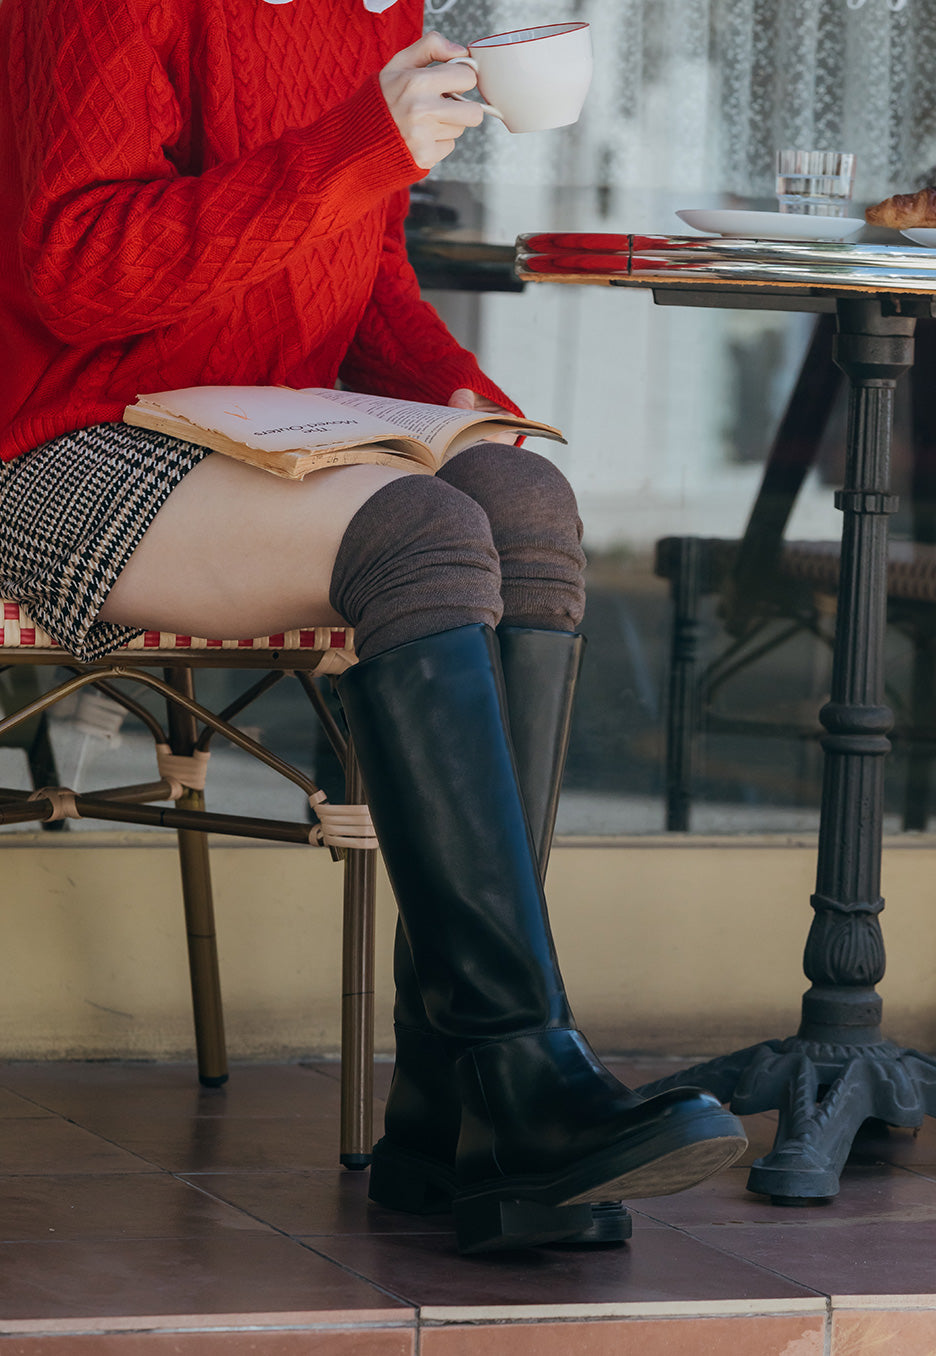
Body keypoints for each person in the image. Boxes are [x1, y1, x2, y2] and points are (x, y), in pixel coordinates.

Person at [0, 0, 747, 1254]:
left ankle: (452, 1111)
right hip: (65, 437)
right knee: (417, 533)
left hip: (253, 432)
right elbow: (76, 276)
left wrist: (472, 408)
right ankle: (521, 1067)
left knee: (523, 500)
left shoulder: (375, 12)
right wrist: (366, 141)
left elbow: (367, 276)